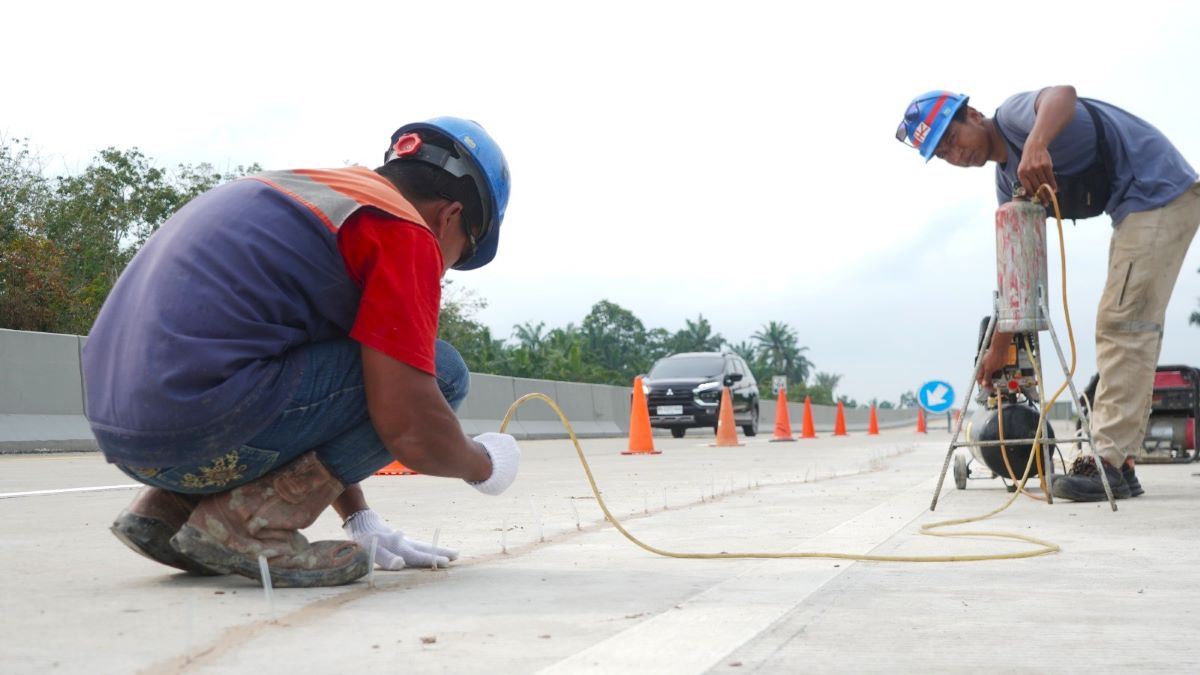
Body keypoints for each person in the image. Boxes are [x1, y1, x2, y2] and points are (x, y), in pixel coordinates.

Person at [85, 117, 520, 586]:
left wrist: (360, 519)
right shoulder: (402, 228)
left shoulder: (308, 196)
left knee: (350, 366)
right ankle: (247, 525)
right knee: (444, 372)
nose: (444, 270)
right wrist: (483, 464)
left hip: (132, 437)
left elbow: (324, 400)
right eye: (462, 252)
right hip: (200, 427)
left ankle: (165, 511)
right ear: (449, 216)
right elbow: (409, 424)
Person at [896, 86, 1199, 502]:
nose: (956, 153)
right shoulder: (1006, 183)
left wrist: (1037, 144)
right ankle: (1123, 465)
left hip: (1157, 190)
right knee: (1130, 324)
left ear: (974, 114)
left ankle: (1107, 463)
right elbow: (1018, 268)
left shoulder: (1015, 118)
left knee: (1122, 323)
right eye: (944, 154)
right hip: (1136, 204)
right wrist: (1000, 343)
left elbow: (1062, 94)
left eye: (952, 138)